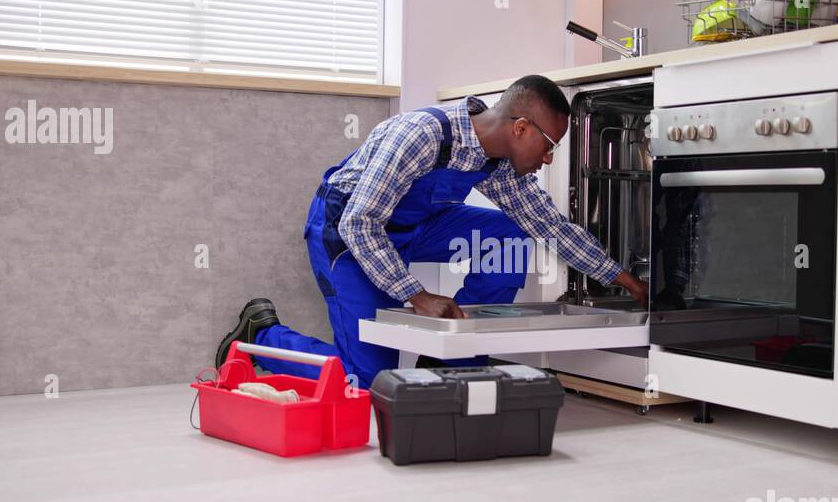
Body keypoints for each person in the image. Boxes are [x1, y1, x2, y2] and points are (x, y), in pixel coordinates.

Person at [215, 74, 648, 387]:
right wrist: (417, 296)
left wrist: (620, 277)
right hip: (348, 234)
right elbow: (360, 222)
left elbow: (548, 224)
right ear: (520, 128)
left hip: (415, 228)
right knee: (369, 382)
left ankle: (453, 357)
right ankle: (261, 335)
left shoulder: (498, 163)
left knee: (513, 232)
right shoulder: (421, 135)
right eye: (550, 146)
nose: (550, 159)